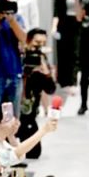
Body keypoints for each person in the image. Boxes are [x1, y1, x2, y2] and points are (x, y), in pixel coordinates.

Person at [18, 28, 58, 159]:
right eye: (36, 42)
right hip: (15, 112)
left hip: (30, 114)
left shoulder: (42, 59)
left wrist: (46, 73)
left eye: (43, 43)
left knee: (34, 153)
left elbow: (50, 90)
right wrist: (24, 73)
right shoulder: (19, 56)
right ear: (28, 41)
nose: (39, 47)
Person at [52, 0, 82, 89]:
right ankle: (63, 80)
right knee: (63, 52)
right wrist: (54, 27)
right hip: (64, 24)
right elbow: (57, 12)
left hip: (76, 23)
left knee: (75, 52)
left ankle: (73, 80)